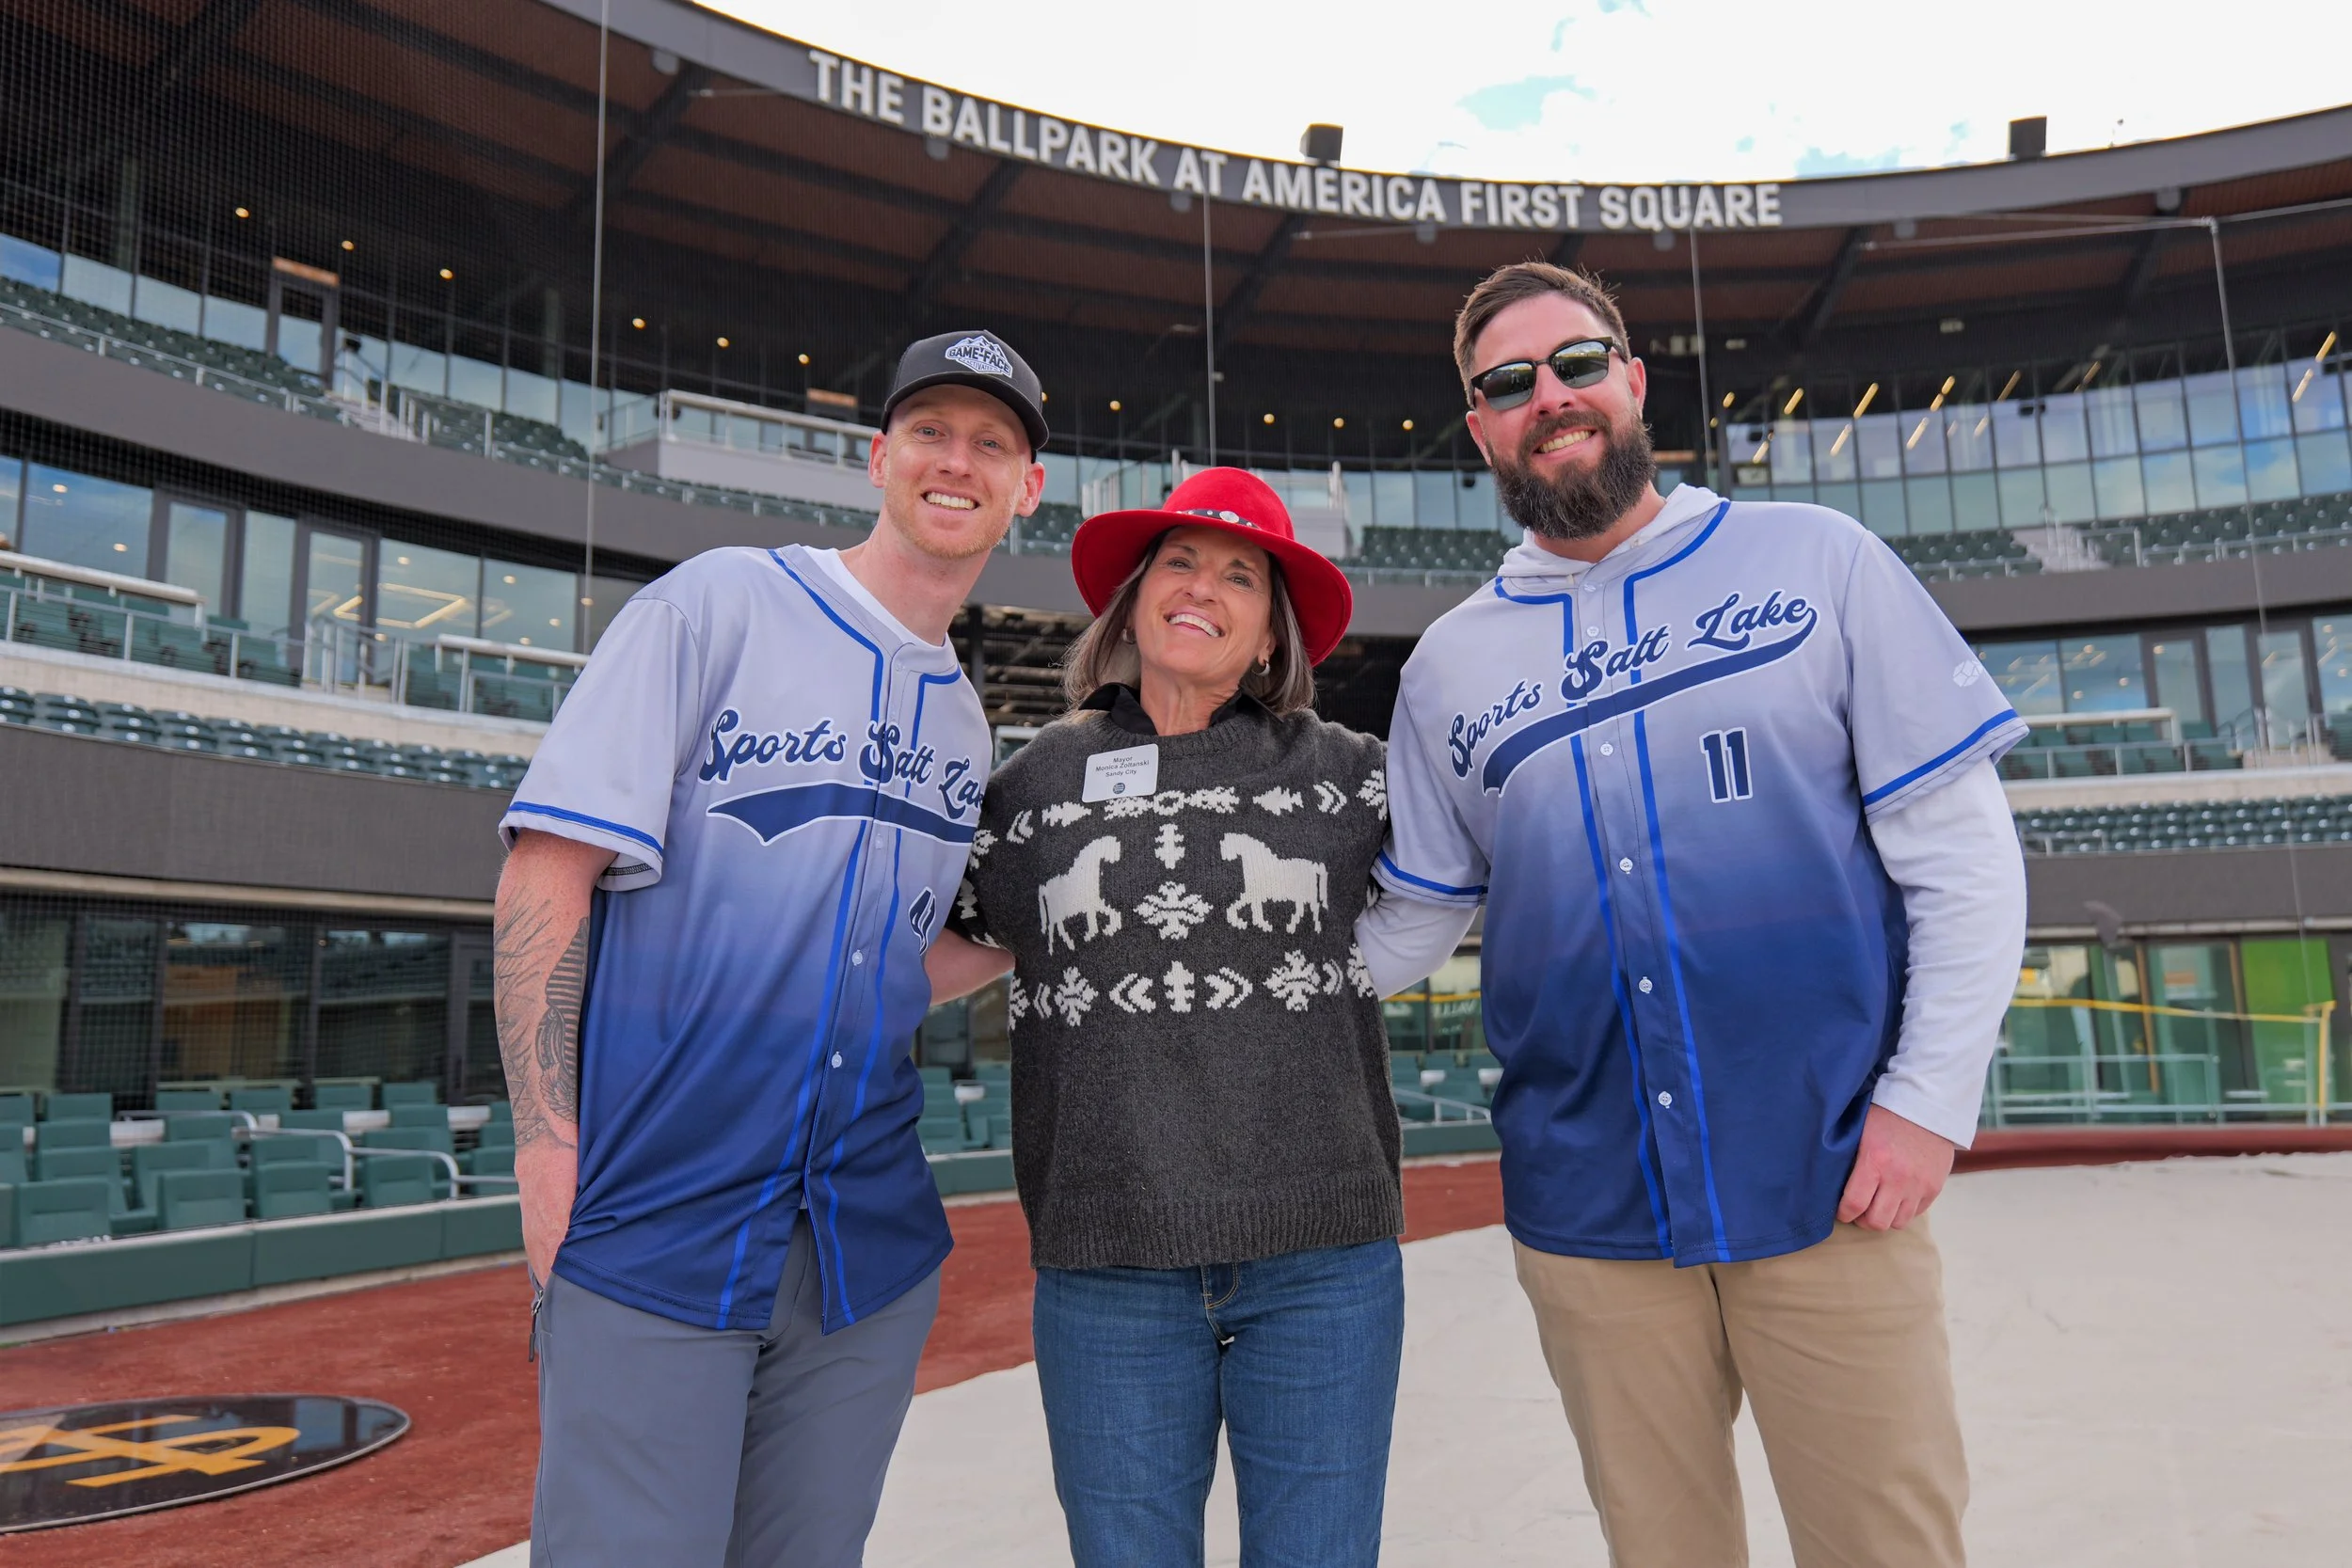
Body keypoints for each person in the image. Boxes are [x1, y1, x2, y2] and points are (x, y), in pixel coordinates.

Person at [1375, 261, 2026, 1567]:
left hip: (1834, 1174)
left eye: (1574, 362)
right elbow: (1406, 925)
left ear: (1631, 377)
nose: (1546, 397)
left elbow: (1963, 859)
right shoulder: (1449, 663)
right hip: (1592, 1204)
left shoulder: (1818, 560)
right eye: (1506, 384)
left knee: (1888, 1545)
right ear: (1482, 429)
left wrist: (1925, 1100)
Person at [493, 328, 1048, 1567]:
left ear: (1027, 487)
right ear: (879, 455)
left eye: (992, 442)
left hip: (865, 1249)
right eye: (931, 431)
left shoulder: (963, 717)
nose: (957, 461)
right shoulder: (719, 601)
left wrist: (1024, 931)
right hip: (660, 1218)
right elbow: (548, 870)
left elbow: (894, 971)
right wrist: (544, 1140)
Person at [926, 467, 1450, 1567]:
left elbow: (1471, 877)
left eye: (1239, 574)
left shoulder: (1352, 780)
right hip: (1108, 1268)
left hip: (1322, 1267)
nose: (1202, 586)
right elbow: (939, 956)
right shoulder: (1031, 788)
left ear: (1271, 633)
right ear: (1132, 598)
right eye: (1178, 560)